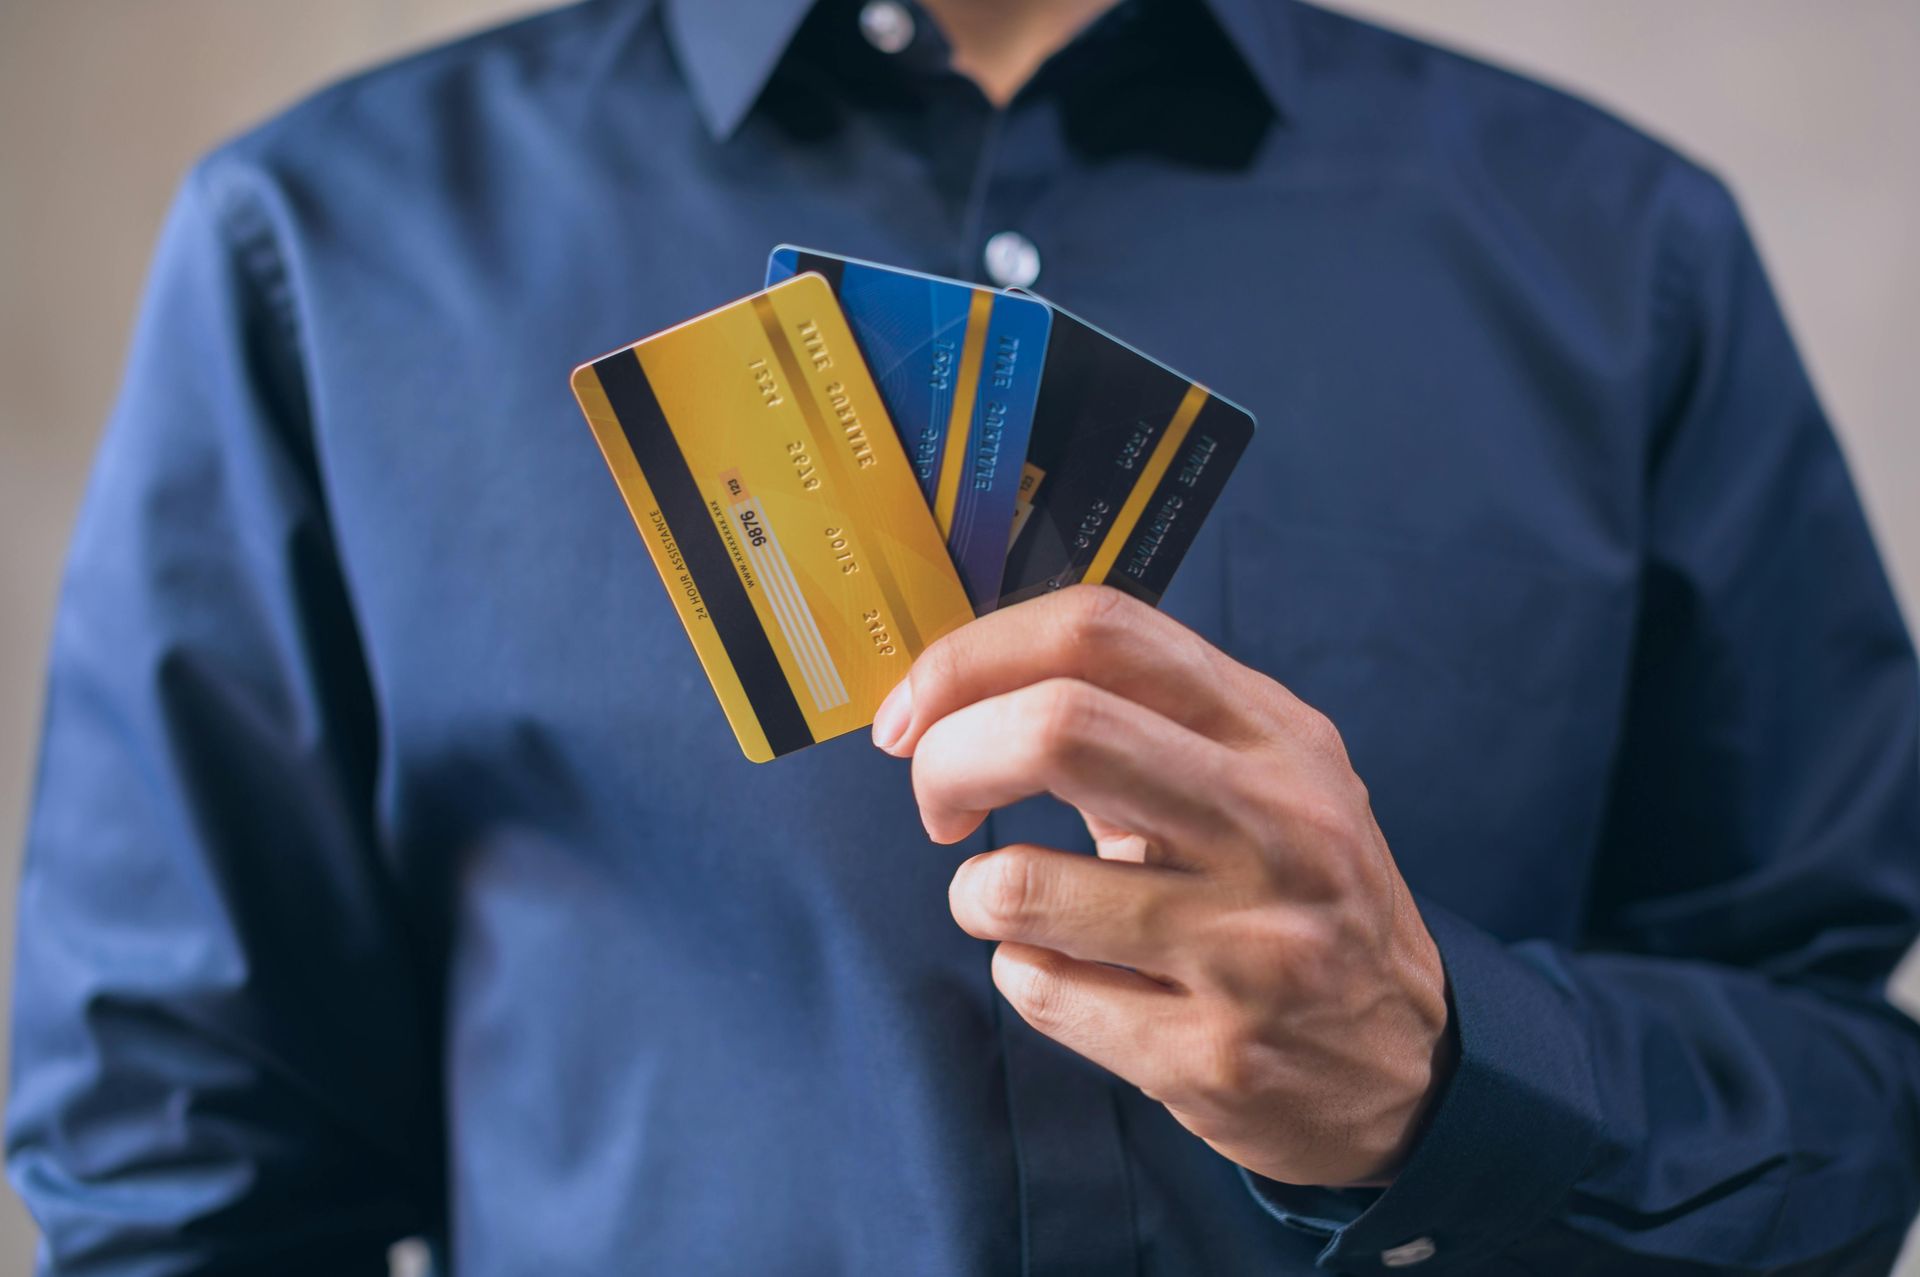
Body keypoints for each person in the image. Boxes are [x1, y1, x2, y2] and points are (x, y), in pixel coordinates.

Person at [9, 0, 1920, 1272]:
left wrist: (1447, 1074)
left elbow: (1847, 1098)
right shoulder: (326, 247)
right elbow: (171, 1151)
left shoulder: (1619, 250)